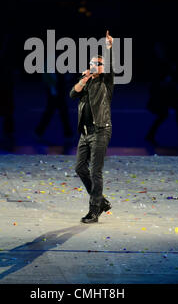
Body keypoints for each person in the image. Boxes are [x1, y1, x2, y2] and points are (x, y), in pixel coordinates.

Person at [69, 30, 114, 223]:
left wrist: (109, 49)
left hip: (100, 130)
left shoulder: (106, 82)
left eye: (98, 64)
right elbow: (72, 94)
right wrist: (84, 78)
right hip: (85, 134)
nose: (94, 66)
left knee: (95, 171)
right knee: (80, 168)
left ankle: (94, 211)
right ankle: (101, 201)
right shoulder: (86, 83)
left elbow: (110, 67)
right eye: (92, 64)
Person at [145, 42, 178, 152]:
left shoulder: (165, 63)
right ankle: (151, 135)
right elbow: (158, 80)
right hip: (163, 93)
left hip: (167, 93)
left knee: (173, 113)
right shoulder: (161, 64)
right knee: (167, 114)